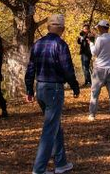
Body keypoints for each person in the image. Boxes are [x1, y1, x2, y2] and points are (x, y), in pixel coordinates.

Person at [26, 14, 80, 174]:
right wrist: (75, 86)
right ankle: (39, 169)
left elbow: (30, 68)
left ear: (48, 27)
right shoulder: (61, 45)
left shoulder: (37, 44)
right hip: (54, 89)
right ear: (62, 29)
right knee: (50, 128)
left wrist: (29, 89)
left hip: (40, 88)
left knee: (55, 125)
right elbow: (67, 69)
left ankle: (61, 163)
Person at [87, 19, 110, 121]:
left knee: (95, 92)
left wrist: (91, 43)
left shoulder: (100, 39)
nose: (98, 29)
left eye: (98, 27)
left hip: (100, 68)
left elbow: (95, 53)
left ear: (101, 27)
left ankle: (92, 114)